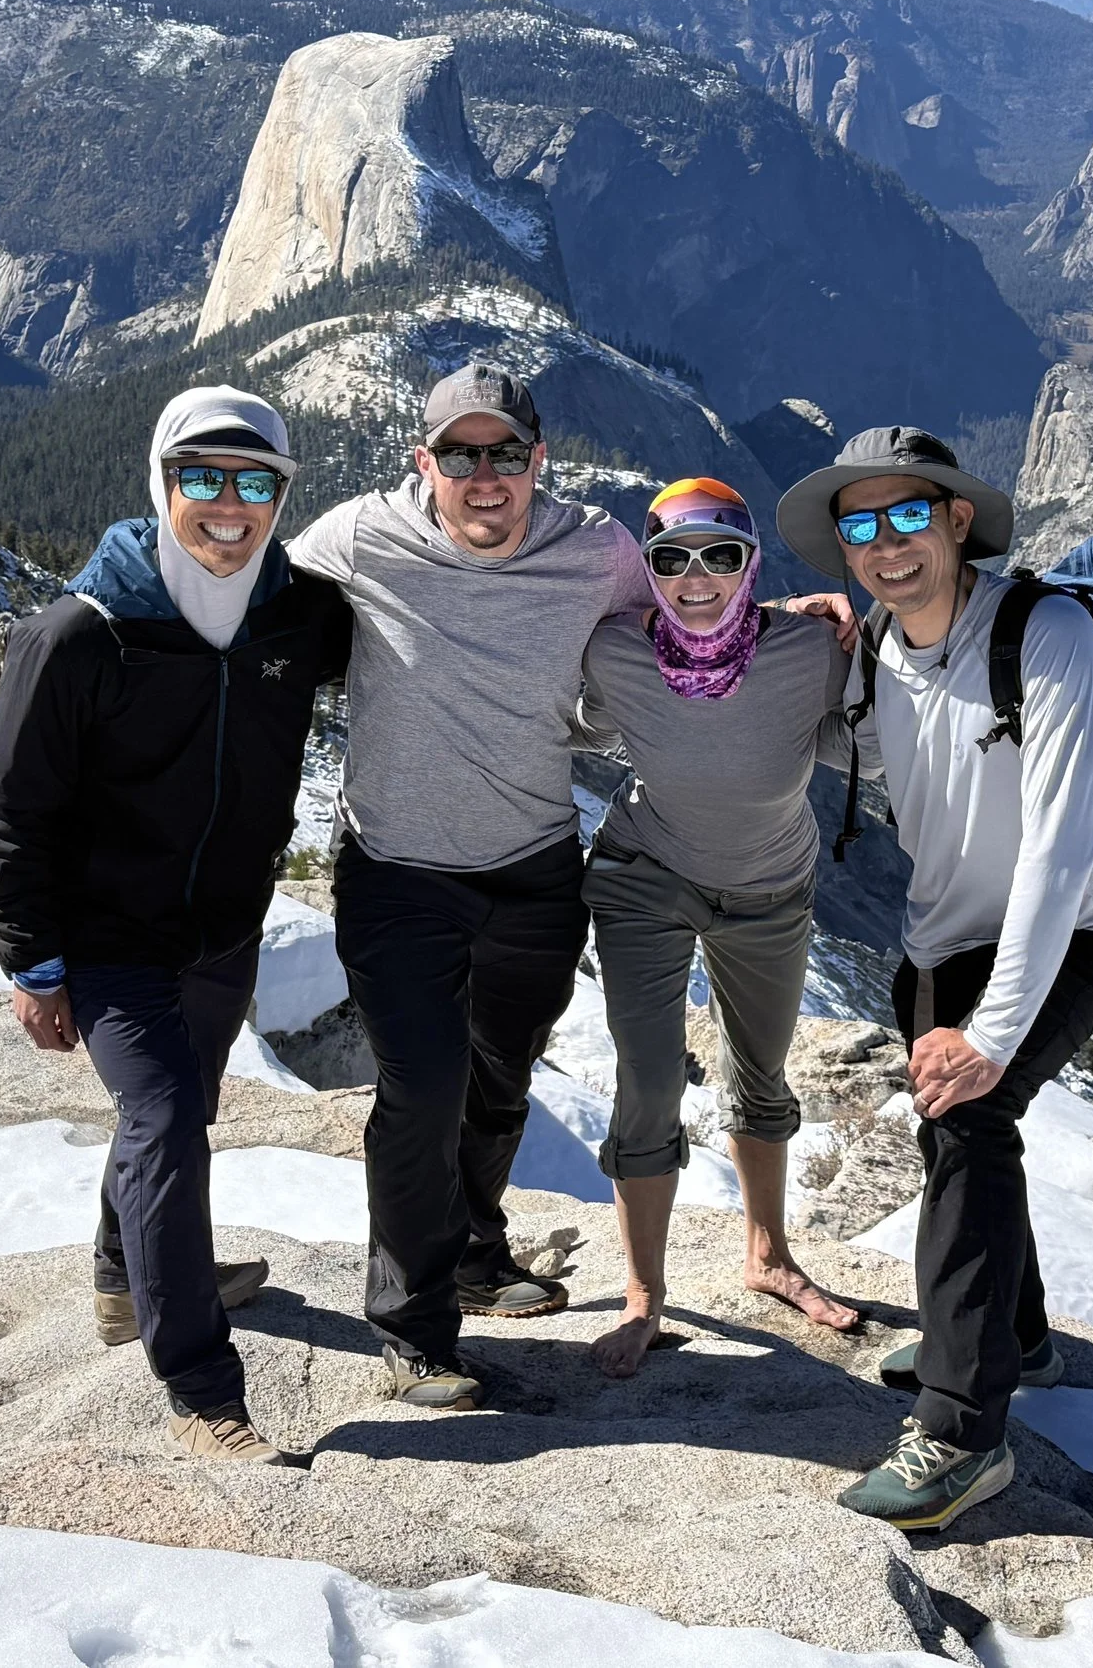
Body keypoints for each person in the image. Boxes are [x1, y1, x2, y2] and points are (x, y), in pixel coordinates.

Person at [775, 426, 1093, 1532]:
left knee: (972, 1120)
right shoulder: (881, 643)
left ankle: (961, 1428)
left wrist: (990, 1033)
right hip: (939, 939)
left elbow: (1060, 844)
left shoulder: (1049, 633)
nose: (884, 544)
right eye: (860, 523)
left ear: (955, 521)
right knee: (957, 1132)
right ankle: (1015, 1334)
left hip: (1078, 924)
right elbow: (881, 757)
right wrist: (794, 660)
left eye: (906, 517)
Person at [0, 386, 351, 1464]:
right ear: (160, 481)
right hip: (107, 939)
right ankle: (201, 1389)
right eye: (202, 478)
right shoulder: (81, 636)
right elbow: (12, 810)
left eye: (256, 483)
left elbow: (436, 628)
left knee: (172, 1117)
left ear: (283, 494)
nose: (229, 506)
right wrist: (32, 962)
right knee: (168, 1116)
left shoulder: (299, 617)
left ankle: (120, 1277)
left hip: (224, 931)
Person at [286, 362, 651, 1411]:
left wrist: (792, 625)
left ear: (537, 460)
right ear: (424, 461)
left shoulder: (597, 549)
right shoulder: (359, 536)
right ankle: (413, 1327)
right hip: (396, 870)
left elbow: (678, 631)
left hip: (536, 865)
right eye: (460, 454)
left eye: (504, 454)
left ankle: (476, 1252)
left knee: (501, 1079)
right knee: (421, 1090)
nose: (483, 476)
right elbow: (251, 612)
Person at [573, 478, 864, 1379]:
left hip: (771, 887)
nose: (696, 578)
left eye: (720, 556)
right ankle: (644, 1294)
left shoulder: (813, 650)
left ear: (751, 564)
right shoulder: (614, 650)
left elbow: (887, 728)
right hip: (643, 879)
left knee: (763, 1072)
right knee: (650, 1081)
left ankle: (767, 1254)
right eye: (671, 559)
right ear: (648, 572)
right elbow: (563, 706)